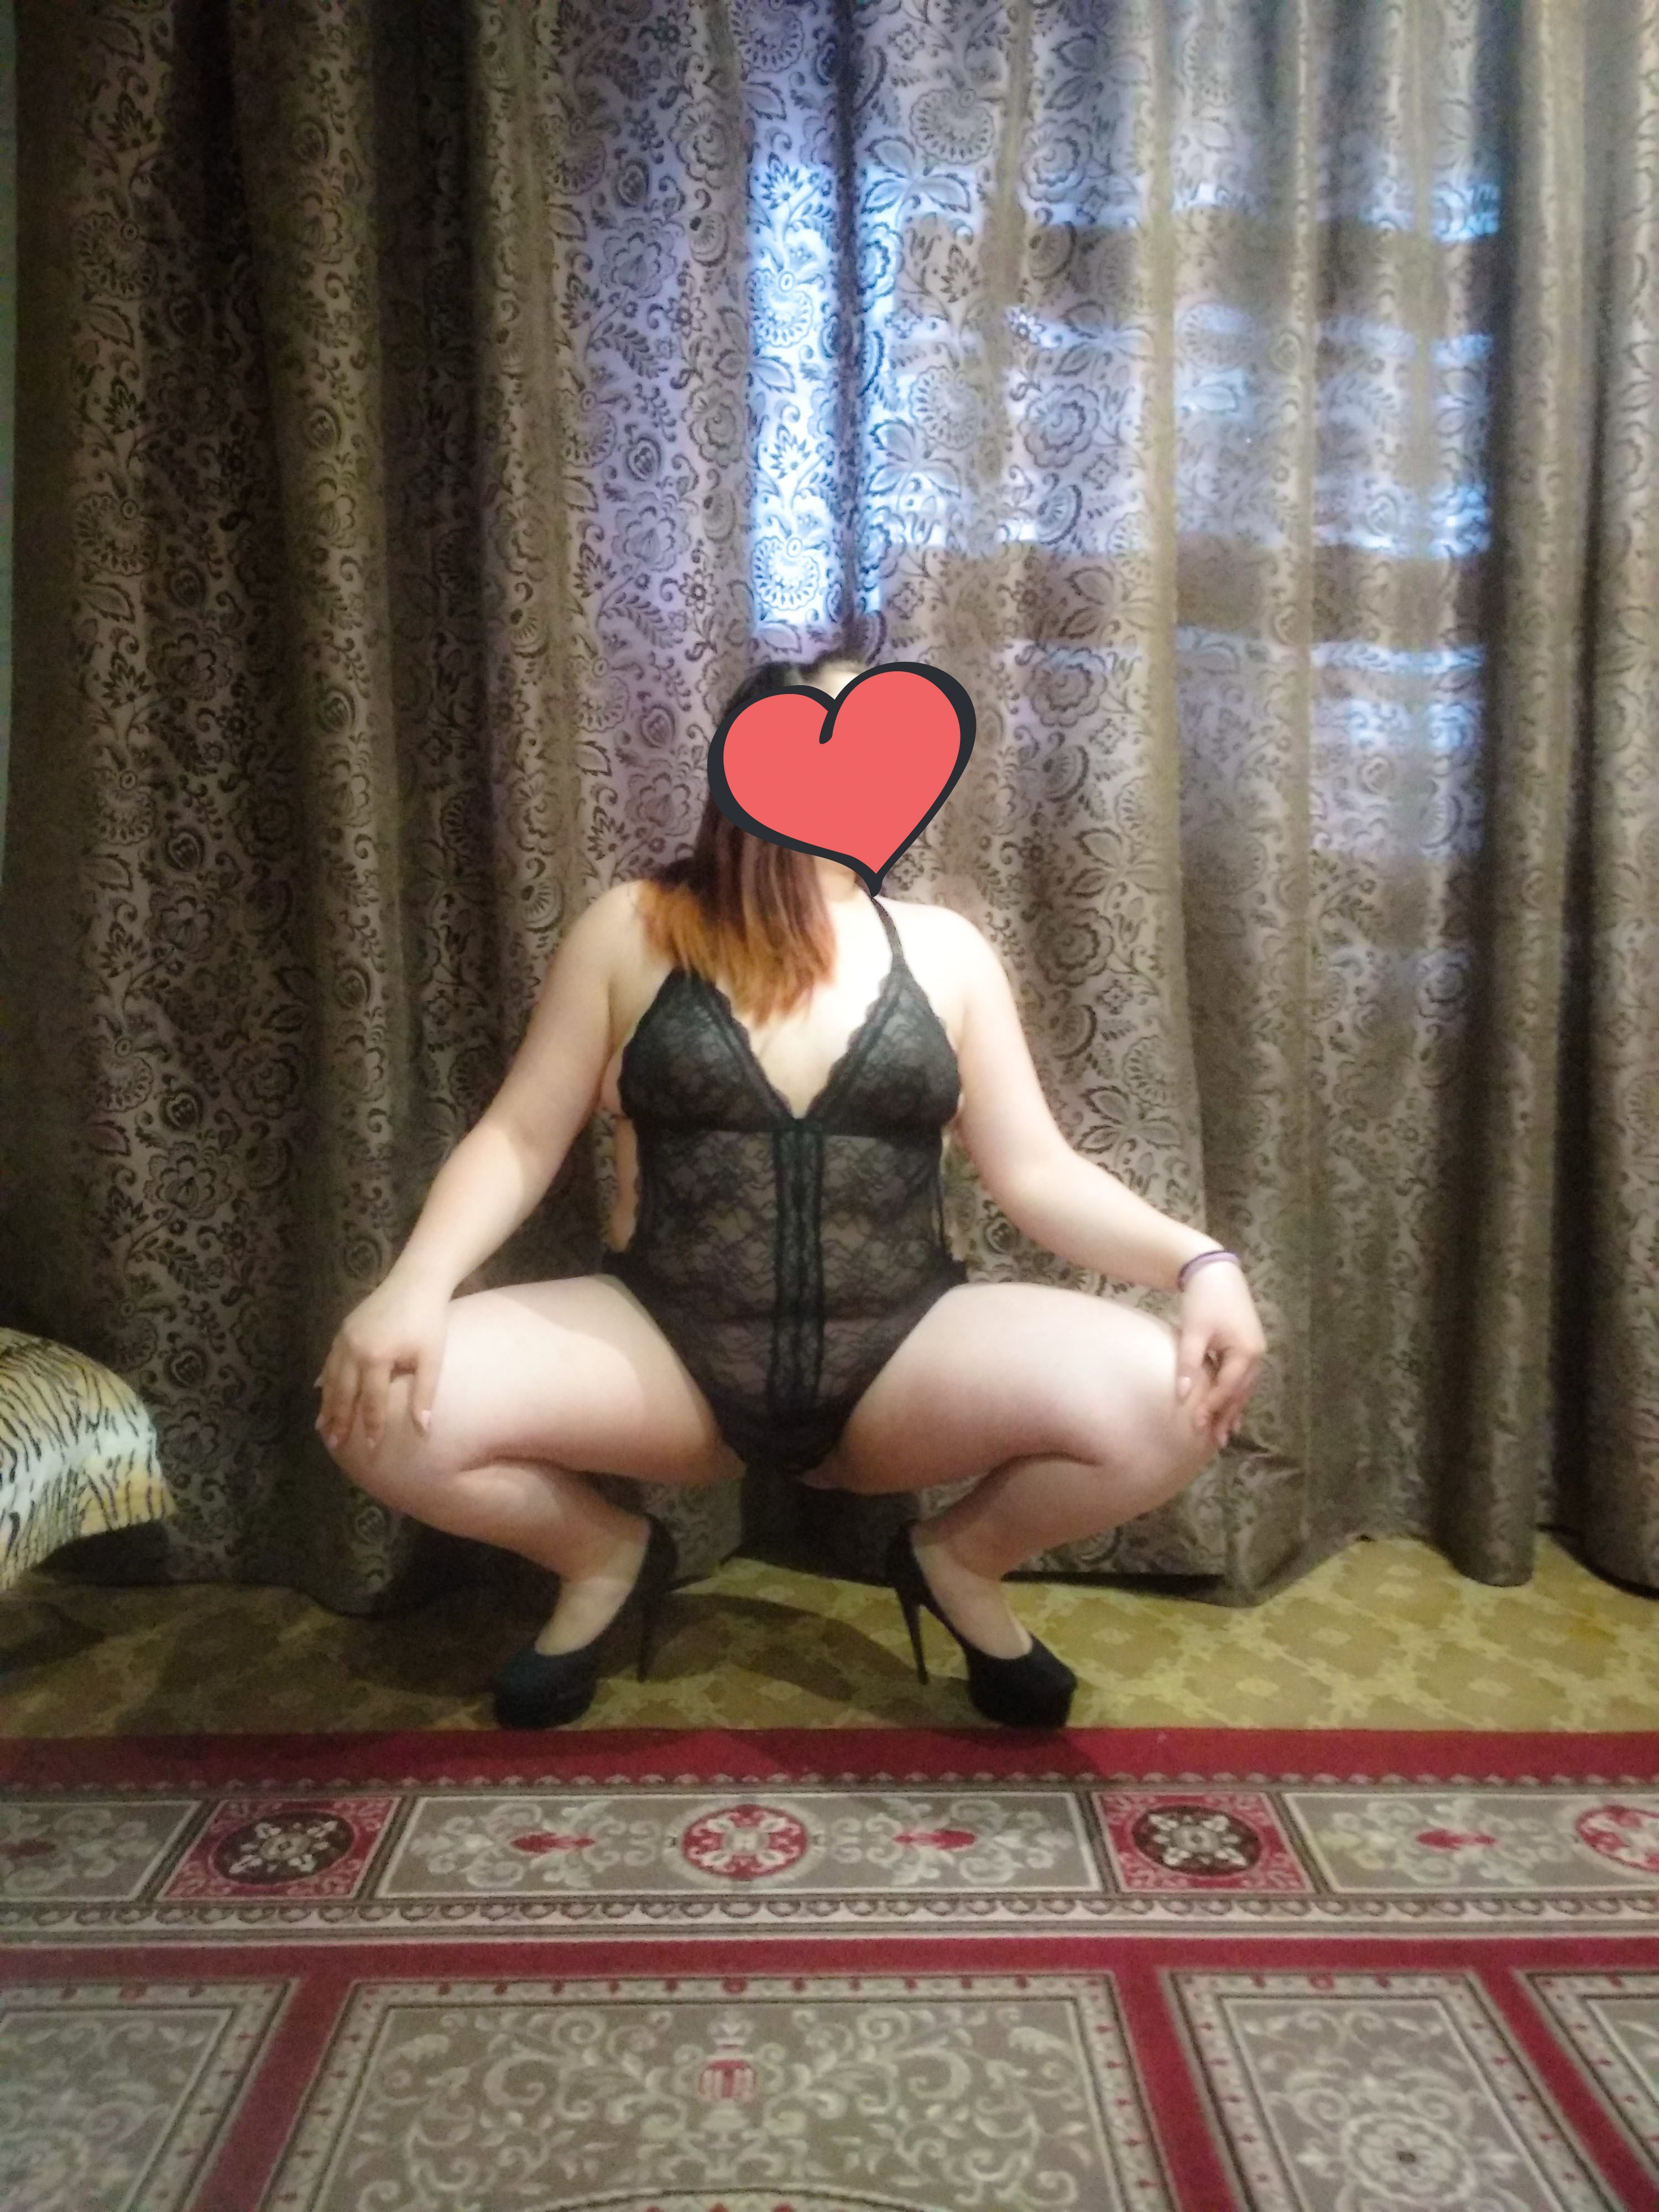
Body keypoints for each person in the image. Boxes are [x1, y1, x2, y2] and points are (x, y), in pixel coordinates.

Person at [316, 652, 1266, 1730]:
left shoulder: (948, 952)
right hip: (662, 1345)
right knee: (375, 1411)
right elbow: (521, 1136)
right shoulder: (633, 928)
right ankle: (602, 1557)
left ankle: (957, 1562)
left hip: (902, 1351)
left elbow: (1038, 1172)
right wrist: (414, 1284)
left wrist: (1202, 1262)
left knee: (1176, 1400)